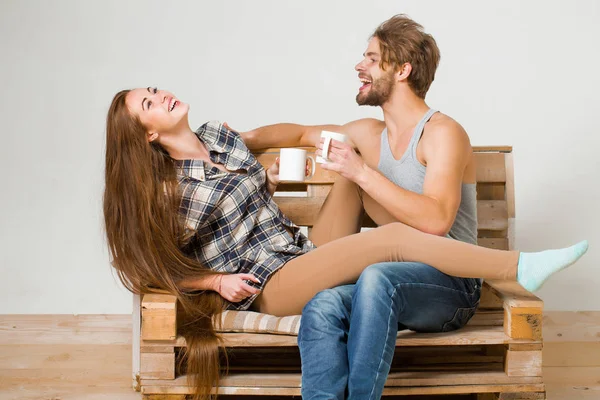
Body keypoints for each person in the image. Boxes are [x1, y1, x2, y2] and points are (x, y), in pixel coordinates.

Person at [104, 75, 586, 400]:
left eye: (153, 89)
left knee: (350, 165)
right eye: (149, 104)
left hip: (299, 248)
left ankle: (464, 263)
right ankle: (517, 267)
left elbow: (288, 138)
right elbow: (144, 269)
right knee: (390, 238)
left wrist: (265, 176)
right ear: (145, 135)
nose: (161, 95)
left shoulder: (221, 137)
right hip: (268, 283)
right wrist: (214, 284)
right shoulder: (171, 189)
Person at [239, 14, 589, 400]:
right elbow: (300, 132)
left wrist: (361, 172)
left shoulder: (442, 134)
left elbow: (437, 220)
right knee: (324, 303)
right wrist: (241, 137)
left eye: (372, 59)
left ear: (402, 70)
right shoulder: (367, 134)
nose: (359, 66)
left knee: (377, 277)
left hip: (451, 285)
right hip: (385, 276)